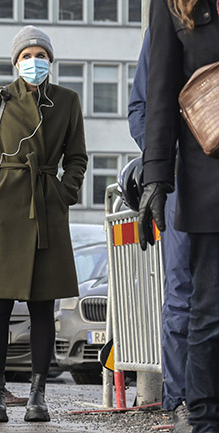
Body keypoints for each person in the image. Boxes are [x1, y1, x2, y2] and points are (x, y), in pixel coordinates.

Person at [0, 26, 87, 423]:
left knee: (42, 309)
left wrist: (63, 193)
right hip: (0, 217)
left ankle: (38, 394)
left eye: (41, 55)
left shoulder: (67, 101)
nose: (34, 62)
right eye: (27, 56)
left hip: (46, 212)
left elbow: (79, 158)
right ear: (16, 62)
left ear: (51, 61)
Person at [139, 1, 219, 431]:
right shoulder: (172, 5)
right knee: (207, 313)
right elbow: (159, 93)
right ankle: (205, 420)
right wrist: (156, 179)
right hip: (208, 180)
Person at [127, 28, 194, 432]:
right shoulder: (170, 24)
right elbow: (140, 109)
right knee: (182, 294)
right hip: (183, 184)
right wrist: (164, 164)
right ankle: (180, 399)